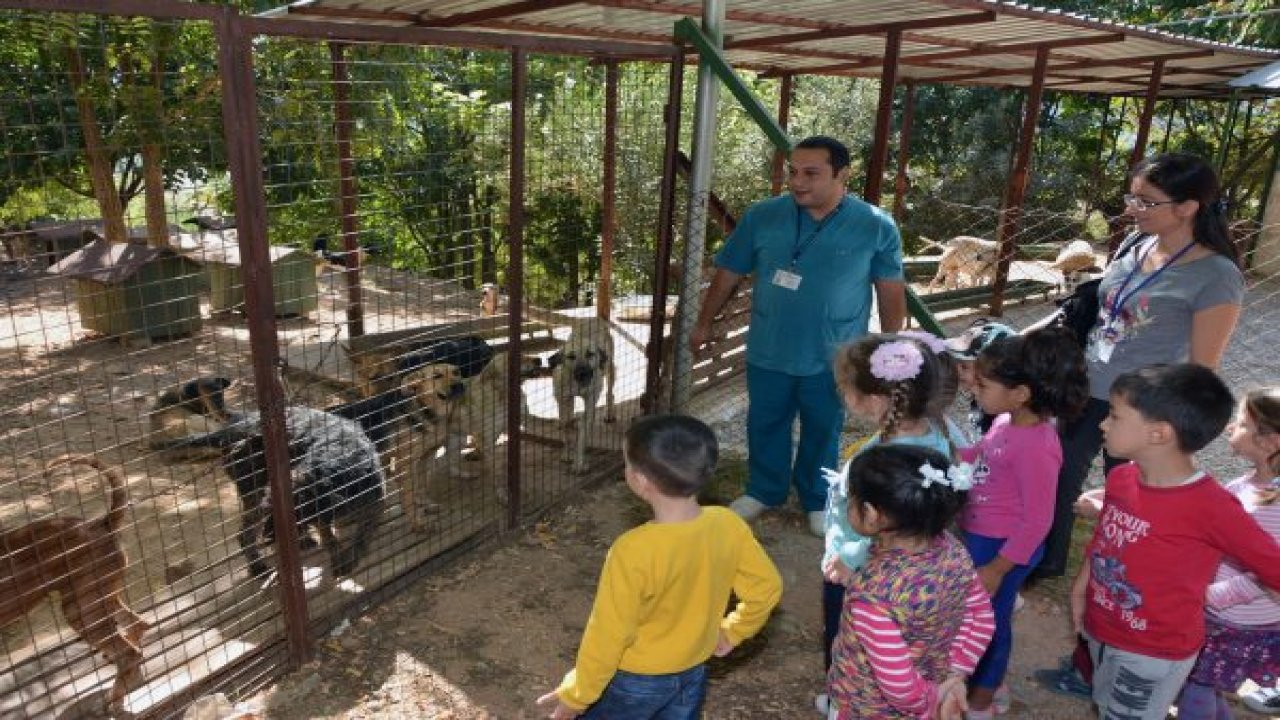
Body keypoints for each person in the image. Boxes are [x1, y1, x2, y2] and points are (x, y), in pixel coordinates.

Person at [1034, 152, 1245, 584]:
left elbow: (1203, 366)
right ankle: (1049, 560)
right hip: (1087, 386)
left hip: (1145, 406)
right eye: (1132, 198)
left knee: (1132, 496)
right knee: (1058, 473)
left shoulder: (1217, 275)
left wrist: (1171, 427)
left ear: (1187, 207)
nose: (1132, 209)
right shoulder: (1137, 243)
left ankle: (1118, 578)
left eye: (1146, 202)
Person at [690, 135, 906, 537]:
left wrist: (893, 349)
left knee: (823, 427)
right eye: (793, 172)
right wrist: (703, 322)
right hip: (769, 347)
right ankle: (763, 490)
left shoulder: (875, 225)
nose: (797, 182)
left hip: (834, 354)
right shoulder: (763, 216)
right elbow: (729, 272)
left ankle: (816, 498)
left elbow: (891, 290)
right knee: (765, 421)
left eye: (810, 173)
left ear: (842, 175)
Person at [537, 414, 782, 720]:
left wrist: (577, 696)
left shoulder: (632, 550)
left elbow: (609, 635)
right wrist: (733, 631)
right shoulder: (728, 524)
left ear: (640, 480)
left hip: (633, 681)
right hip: (693, 671)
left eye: (627, 463)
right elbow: (766, 587)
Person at [1069, 364, 1280, 720]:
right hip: (1103, 629)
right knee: (1106, 706)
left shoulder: (1213, 507)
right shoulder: (1122, 478)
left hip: (1153, 651)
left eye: (1115, 416)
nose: (1103, 424)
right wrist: (1081, 588)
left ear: (1159, 433)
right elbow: (1105, 540)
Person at [816, 332, 958, 714]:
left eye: (844, 387)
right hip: (901, 567)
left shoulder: (886, 461)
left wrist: (848, 559)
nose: (842, 394)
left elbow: (881, 526)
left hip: (858, 570)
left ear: (876, 400)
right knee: (900, 646)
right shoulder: (936, 431)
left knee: (849, 640)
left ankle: (843, 700)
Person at [954, 326, 1088, 718]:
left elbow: (1038, 520)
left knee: (989, 624)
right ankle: (977, 681)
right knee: (974, 617)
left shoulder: (1037, 447)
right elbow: (983, 453)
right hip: (981, 536)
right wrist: (952, 453)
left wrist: (998, 568)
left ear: (1020, 393)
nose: (974, 389)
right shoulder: (1006, 421)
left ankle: (982, 700)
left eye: (983, 385)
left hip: (1003, 548)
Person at [826, 444, 995, 720]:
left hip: (866, 709)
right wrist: (954, 676)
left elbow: (900, 687)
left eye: (851, 498)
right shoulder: (953, 551)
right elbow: (981, 617)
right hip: (931, 687)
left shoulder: (873, 594)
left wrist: (933, 700)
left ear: (871, 514)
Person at [1172, 387, 1280, 719]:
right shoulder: (1250, 485)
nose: (1231, 427)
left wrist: (1212, 595)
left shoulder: (1272, 506)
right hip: (1227, 613)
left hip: (1236, 619)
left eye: (1242, 423)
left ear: (1270, 442)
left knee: (1197, 686)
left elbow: (1270, 575)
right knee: (1206, 684)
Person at [943, 319, 1017, 441]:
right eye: (957, 362)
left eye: (964, 367)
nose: (956, 370)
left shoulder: (1005, 415)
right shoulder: (980, 400)